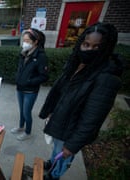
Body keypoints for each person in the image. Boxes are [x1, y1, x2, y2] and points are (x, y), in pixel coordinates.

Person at [38, 23, 123, 180]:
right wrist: (51, 110)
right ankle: (52, 162)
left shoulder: (106, 78)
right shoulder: (76, 63)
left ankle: (54, 175)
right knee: (56, 150)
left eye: (96, 47)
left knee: (63, 156)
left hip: (71, 131)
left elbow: (92, 119)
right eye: (86, 44)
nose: (89, 50)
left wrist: (72, 145)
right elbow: (63, 91)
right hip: (61, 121)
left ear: (105, 48)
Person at [10, 28, 49, 141]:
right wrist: (17, 78)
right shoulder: (24, 52)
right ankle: (21, 127)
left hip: (30, 91)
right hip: (20, 88)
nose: (24, 43)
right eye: (24, 40)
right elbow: (20, 69)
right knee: (21, 110)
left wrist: (29, 82)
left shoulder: (41, 56)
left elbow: (44, 76)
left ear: (35, 41)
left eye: (27, 41)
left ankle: (28, 132)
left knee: (27, 112)